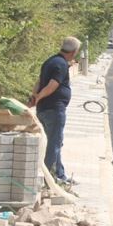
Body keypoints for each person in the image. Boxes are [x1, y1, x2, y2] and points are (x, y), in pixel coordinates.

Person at [29, 36, 81, 185]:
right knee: (54, 144)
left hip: (44, 110)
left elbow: (39, 82)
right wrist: (38, 97)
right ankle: (48, 179)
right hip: (54, 109)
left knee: (55, 141)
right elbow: (52, 85)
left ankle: (59, 174)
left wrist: (33, 98)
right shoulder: (61, 64)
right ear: (74, 51)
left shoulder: (51, 61)